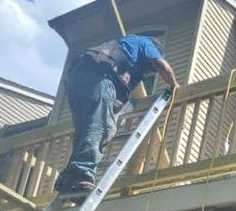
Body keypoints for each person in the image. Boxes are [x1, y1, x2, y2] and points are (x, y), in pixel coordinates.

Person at [54, 33, 177, 194]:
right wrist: (174, 86)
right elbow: (163, 66)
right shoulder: (147, 44)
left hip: (76, 79)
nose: (151, 71)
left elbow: (121, 98)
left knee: (85, 130)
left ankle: (68, 178)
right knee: (103, 127)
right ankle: (82, 173)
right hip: (100, 75)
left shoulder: (127, 51)